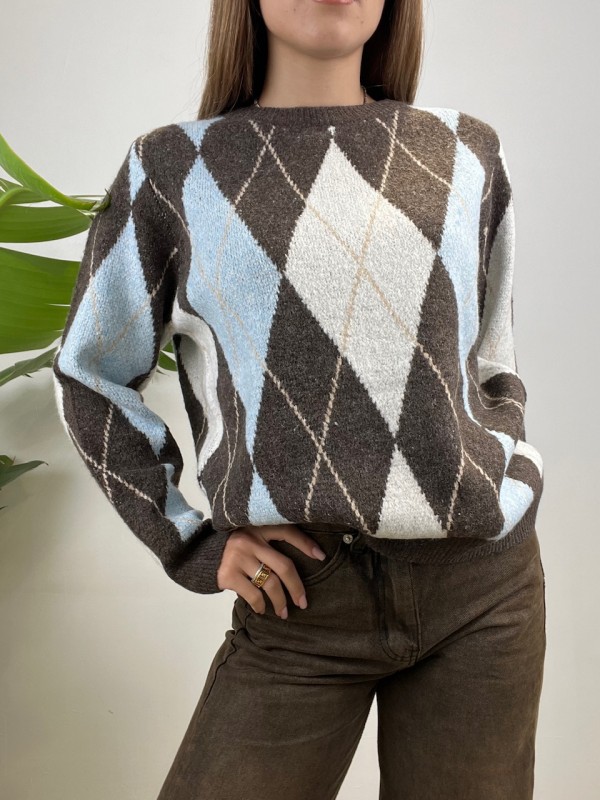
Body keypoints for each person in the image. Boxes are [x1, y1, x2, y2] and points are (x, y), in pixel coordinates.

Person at [52, 0, 547, 797]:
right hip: (302, 597)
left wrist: (504, 475)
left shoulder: (465, 151)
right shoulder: (173, 168)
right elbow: (90, 372)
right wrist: (190, 541)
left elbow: (492, 361)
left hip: (484, 591)